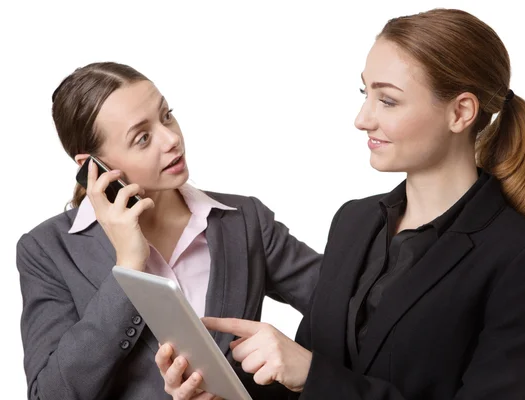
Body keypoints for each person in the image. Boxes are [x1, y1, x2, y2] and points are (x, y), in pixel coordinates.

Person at [157, 8, 525, 399]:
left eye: (387, 100)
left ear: (461, 112)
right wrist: (228, 391)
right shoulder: (355, 221)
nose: (362, 118)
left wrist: (311, 373)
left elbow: (318, 378)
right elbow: (310, 385)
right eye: (365, 93)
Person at [16, 62, 321, 400]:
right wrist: (129, 267)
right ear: (92, 165)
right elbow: (51, 395)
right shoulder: (48, 250)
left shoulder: (244, 221)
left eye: (166, 115)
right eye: (142, 138)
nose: (172, 138)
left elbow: (354, 312)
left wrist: (307, 371)